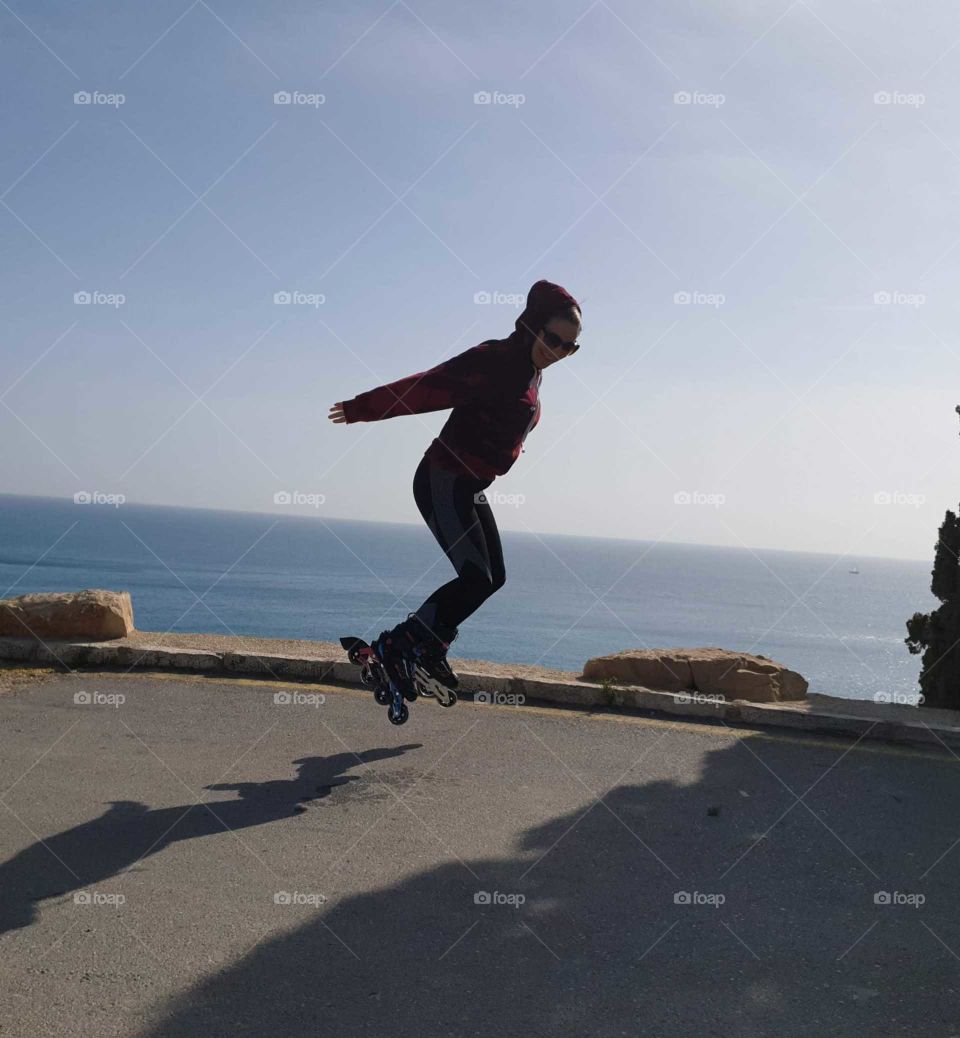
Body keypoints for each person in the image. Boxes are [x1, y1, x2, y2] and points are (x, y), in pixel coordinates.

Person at [328, 279, 582, 700]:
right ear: (532, 326)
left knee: (493, 577)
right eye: (553, 340)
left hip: (470, 485)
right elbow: (430, 386)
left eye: (569, 348)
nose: (558, 352)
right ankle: (398, 647)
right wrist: (362, 408)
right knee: (475, 577)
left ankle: (428, 648)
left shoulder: (534, 371)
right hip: (443, 478)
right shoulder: (495, 359)